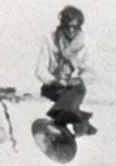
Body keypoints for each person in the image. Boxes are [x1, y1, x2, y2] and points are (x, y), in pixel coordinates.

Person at [35, 5, 96, 136]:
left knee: (75, 91)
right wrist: (54, 81)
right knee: (62, 97)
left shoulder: (86, 43)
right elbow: (40, 69)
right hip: (55, 86)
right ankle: (80, 121)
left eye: (75, 27)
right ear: (62, 25)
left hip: (75, 86)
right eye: (67, 26)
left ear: (80, 26)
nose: (71, 30)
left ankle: (60, 123)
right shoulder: (50, 39)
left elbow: (90, 70)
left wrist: (79, 79)